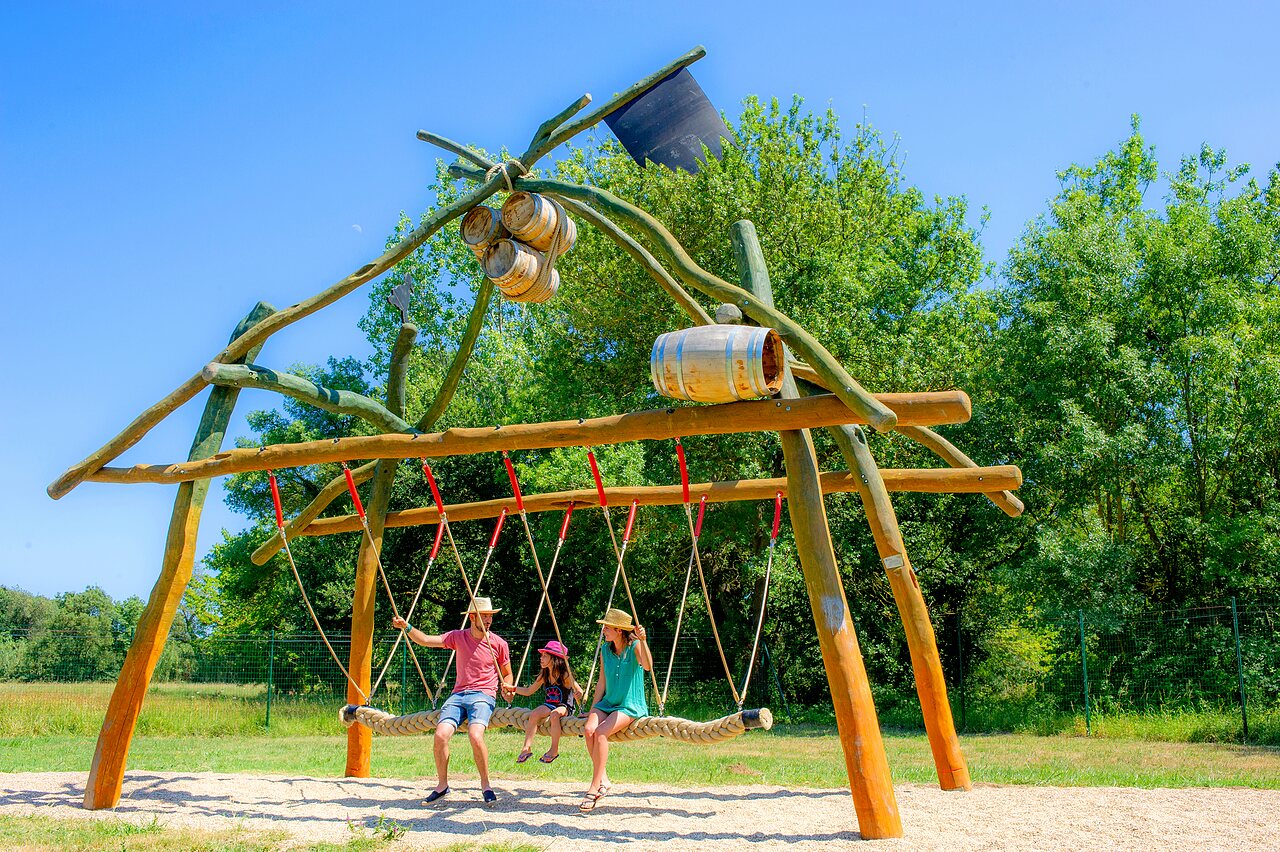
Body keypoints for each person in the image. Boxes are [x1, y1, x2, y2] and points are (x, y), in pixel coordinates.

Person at [391, 596, 512, 806]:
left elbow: (507, 674)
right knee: (440, 735)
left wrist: (507, 688)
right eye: (484, 616)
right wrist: (407, 627)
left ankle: (486, 785)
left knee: (475, 735)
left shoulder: (499, 644)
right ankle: (442, 785)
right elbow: (426, 640)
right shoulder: (458, 637)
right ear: (472, 617)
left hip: (483, 695)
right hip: (458, 696)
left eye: (490, 616)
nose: (488, 620)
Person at [580, 607, 652, 813]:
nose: (604, 630)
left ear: (619, 630)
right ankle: (603, 779)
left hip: (630, 704)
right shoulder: (605, 649)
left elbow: (647, 666)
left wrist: (644, 641)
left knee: (601, 732)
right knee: (589, 729)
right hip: (608, 702)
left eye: (607, 627)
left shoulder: (636, 646)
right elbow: (602, 681)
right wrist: (593, 708)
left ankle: (594, 788)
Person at [506, 640, 584, 765]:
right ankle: (526, 748)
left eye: (545, 656)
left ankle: (554, 750)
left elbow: (579, 690)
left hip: (564, 706)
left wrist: (579, 694)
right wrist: (512, 688)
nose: (541, 658)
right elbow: (528, 691)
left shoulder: (564, 675)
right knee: (535, 713)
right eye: (541, 656)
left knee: (554, 715)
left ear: (554, 658)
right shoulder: (544, 675)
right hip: (550, 704)